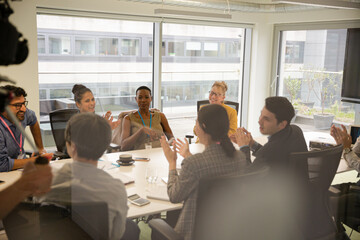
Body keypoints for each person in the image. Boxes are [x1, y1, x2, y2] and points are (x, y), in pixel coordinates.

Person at [160, 104, 248, 240]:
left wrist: (172, 162)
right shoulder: (240, 158)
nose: (195, 127)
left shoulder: (195, 163)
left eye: (196, 122)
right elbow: (208, 168)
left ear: (204, 127)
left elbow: (174, 196)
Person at [40, 113, 130, 239]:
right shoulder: (116, 190)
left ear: (72, 146)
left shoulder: (47, 184)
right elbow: (116, 235)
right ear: (105, 146)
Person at [232, 96, 307, 173]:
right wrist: (252, 143)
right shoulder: (296, 130)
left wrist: (244, 147)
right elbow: (271, 155)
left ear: (282, 124)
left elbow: (246, 176)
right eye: (261, 115)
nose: (259, 121)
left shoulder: (269, 151)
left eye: (266, 119)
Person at [0, 85, 52, 172]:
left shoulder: (24, 113)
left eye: (24, 103)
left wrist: (40, 148)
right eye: (17, 105)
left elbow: (33, 121)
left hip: (21, 166)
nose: (23, 109)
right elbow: (2, 165)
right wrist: (36, 160)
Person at [120, 86, 174, 150]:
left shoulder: (160, 116)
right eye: (140, 97)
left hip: (160, 154)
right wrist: (141, 130)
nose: (143, 100)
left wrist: (167, 144)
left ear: (151, 98)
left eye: (146, 97)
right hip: (140, 156)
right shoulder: (128, 118)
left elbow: (172, 138)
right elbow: (123, 146)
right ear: (136, 99)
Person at [330, 124, 360, 227]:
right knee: (321, 193)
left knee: (323, 202)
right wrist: (342, 144)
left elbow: (351, 156)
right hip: (357, 187)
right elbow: (352, 157)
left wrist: (347, 150)